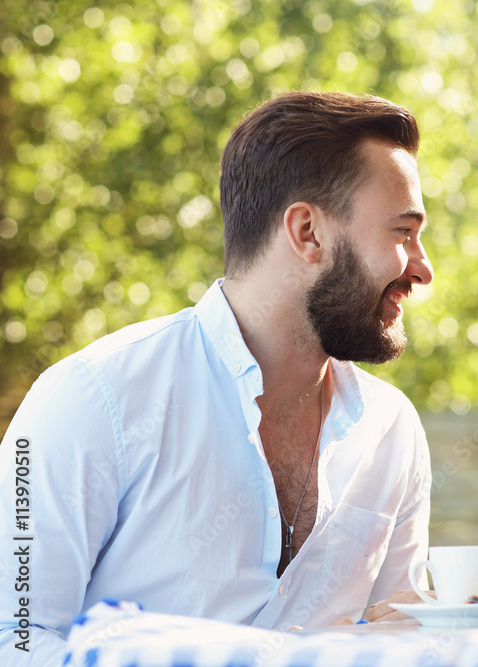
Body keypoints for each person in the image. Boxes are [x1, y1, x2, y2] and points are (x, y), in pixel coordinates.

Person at [0, 91, 435, 663]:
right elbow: (15, 634)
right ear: (307, 232)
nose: (422, 268)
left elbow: (401, 633)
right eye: (402, 233)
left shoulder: (392, 430)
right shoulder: (89, 398)